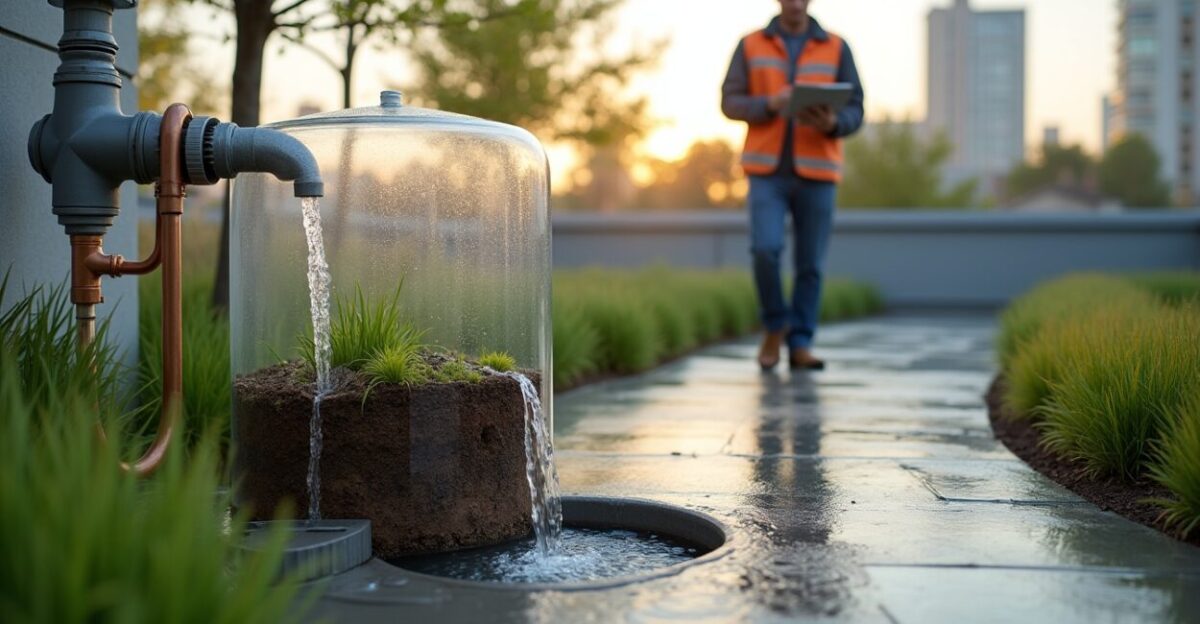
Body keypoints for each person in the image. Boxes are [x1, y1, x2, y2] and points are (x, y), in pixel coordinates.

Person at [721, 0, 864, 371]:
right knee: (764, 250)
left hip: (818, 171)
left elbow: (857, 109)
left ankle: (800, 343)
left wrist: (833, 122)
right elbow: (730, 102)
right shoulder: (750, 44)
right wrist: (771, 103)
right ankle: (775, 325)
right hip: (767, 172)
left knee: (810, 264)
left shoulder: (836, 46)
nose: (796, 3)